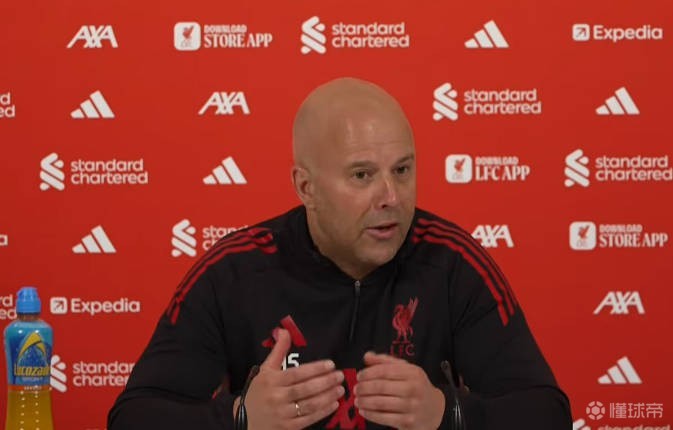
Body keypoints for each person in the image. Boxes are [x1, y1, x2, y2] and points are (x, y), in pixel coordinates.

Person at [108, 77, 572, 429]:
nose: (391, 196)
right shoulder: (234, 273)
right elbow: (133, 417)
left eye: (402, 170)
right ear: (306, 187)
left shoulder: (453, 263)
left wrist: (447, 414)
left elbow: (547, 413)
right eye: (362, 175)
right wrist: (240, 419)